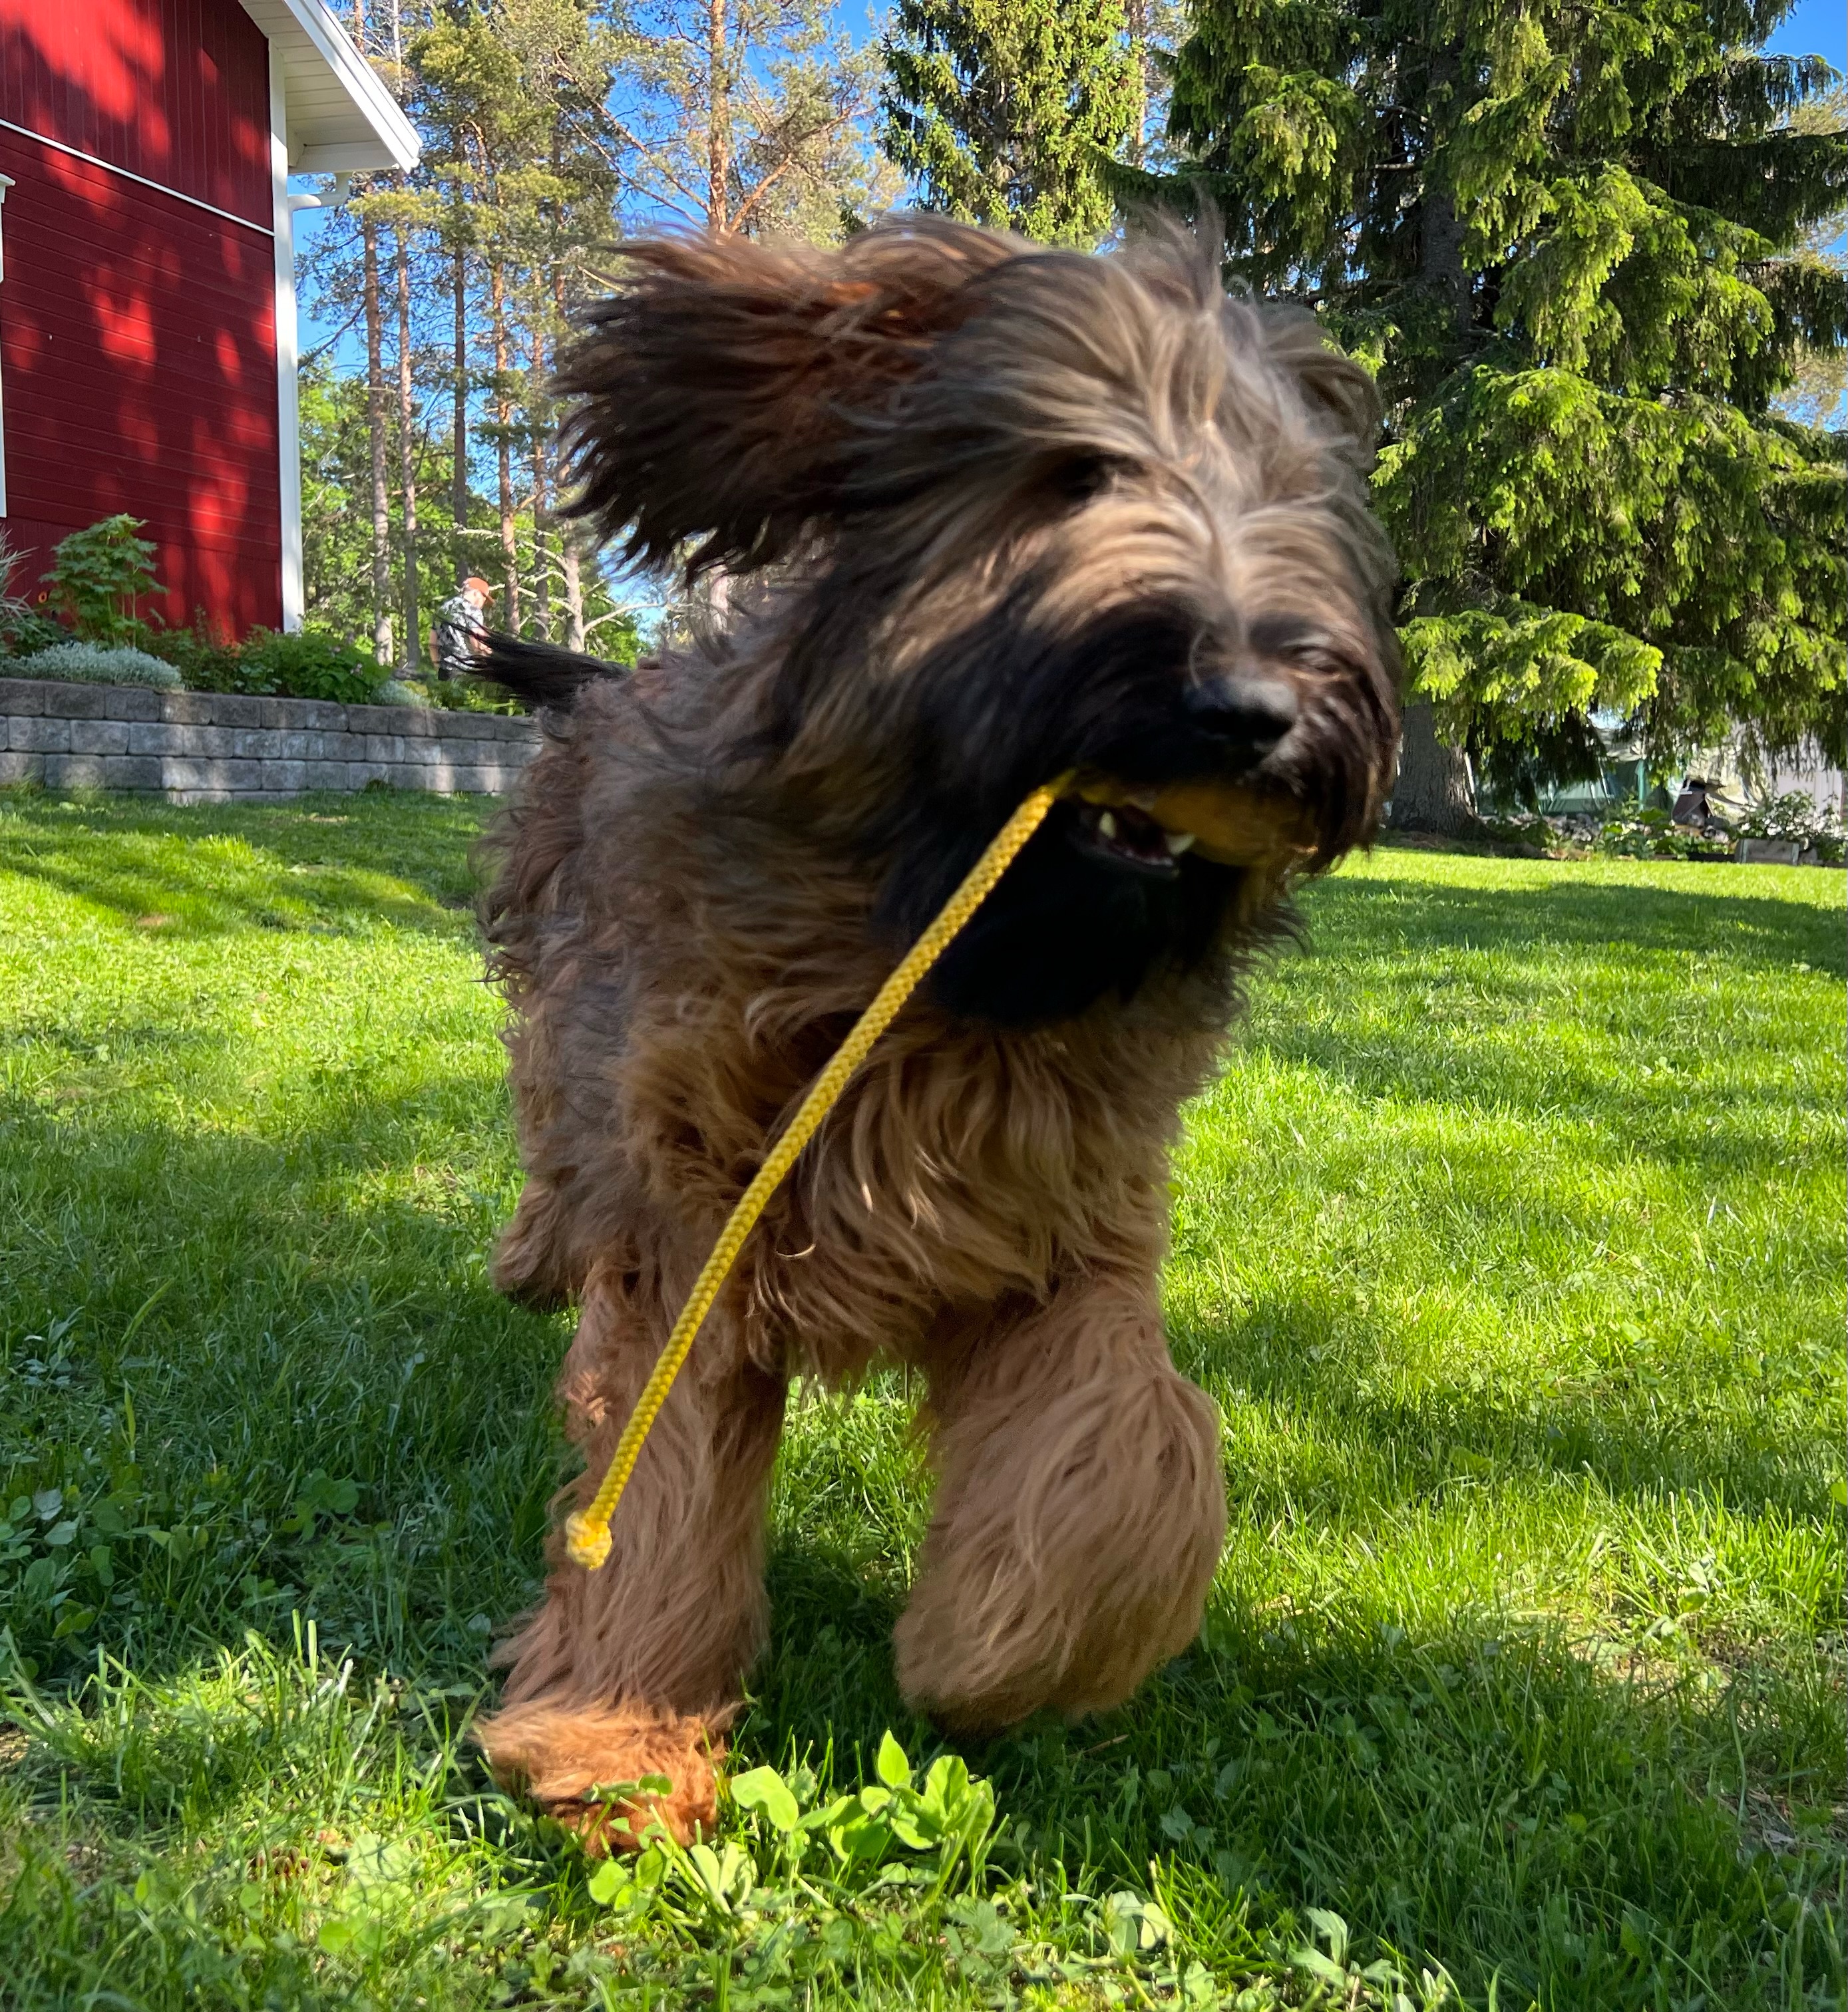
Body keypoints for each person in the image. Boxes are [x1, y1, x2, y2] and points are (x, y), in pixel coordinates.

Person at [433, 577, 496, 679]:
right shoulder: (474, 611)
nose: (484, 601)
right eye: (484, 597)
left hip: (444, 671)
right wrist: (493, 656)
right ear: (476, 593)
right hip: (465, 670)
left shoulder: (444, 609)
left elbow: (432, 642)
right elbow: (477, 644)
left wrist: (437, 665)